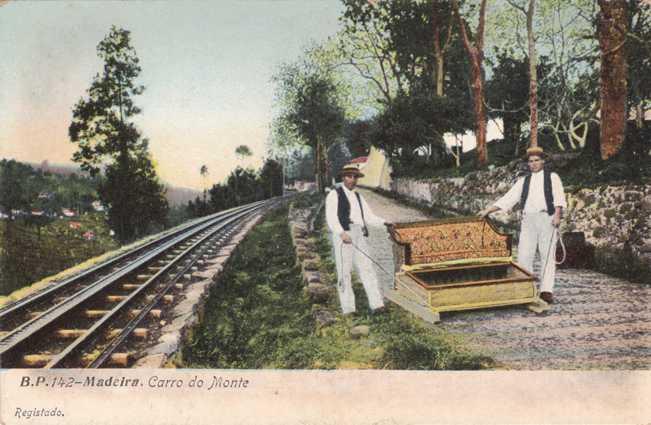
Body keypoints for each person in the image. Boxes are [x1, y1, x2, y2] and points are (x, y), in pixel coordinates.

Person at [478, 147, 566, 304]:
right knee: (525, 253)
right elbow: (508, 199)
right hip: (528, 219)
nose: (533, 164)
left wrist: (557, 216)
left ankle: (546, 291)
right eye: (530, 161)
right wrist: (487, 210)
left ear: (543, 161)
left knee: (547, 254)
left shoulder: (552, 177)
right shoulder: (523, 181)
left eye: (536, 160)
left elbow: (559, 197)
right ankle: (526, 287)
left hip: (547, 217)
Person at [325, 163, 387, 315]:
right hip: (344, 235)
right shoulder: (334, 195)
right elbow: (331, 218)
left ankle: (377, 305)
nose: (352, 180)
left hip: (359, 233)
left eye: (355, 177)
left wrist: (385, 223)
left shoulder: (358, 197)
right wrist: (341, 233)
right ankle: (349, 309)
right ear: (343, 178)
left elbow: (369, 217)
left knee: (367, 269)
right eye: (349, 176)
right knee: (344, 272)